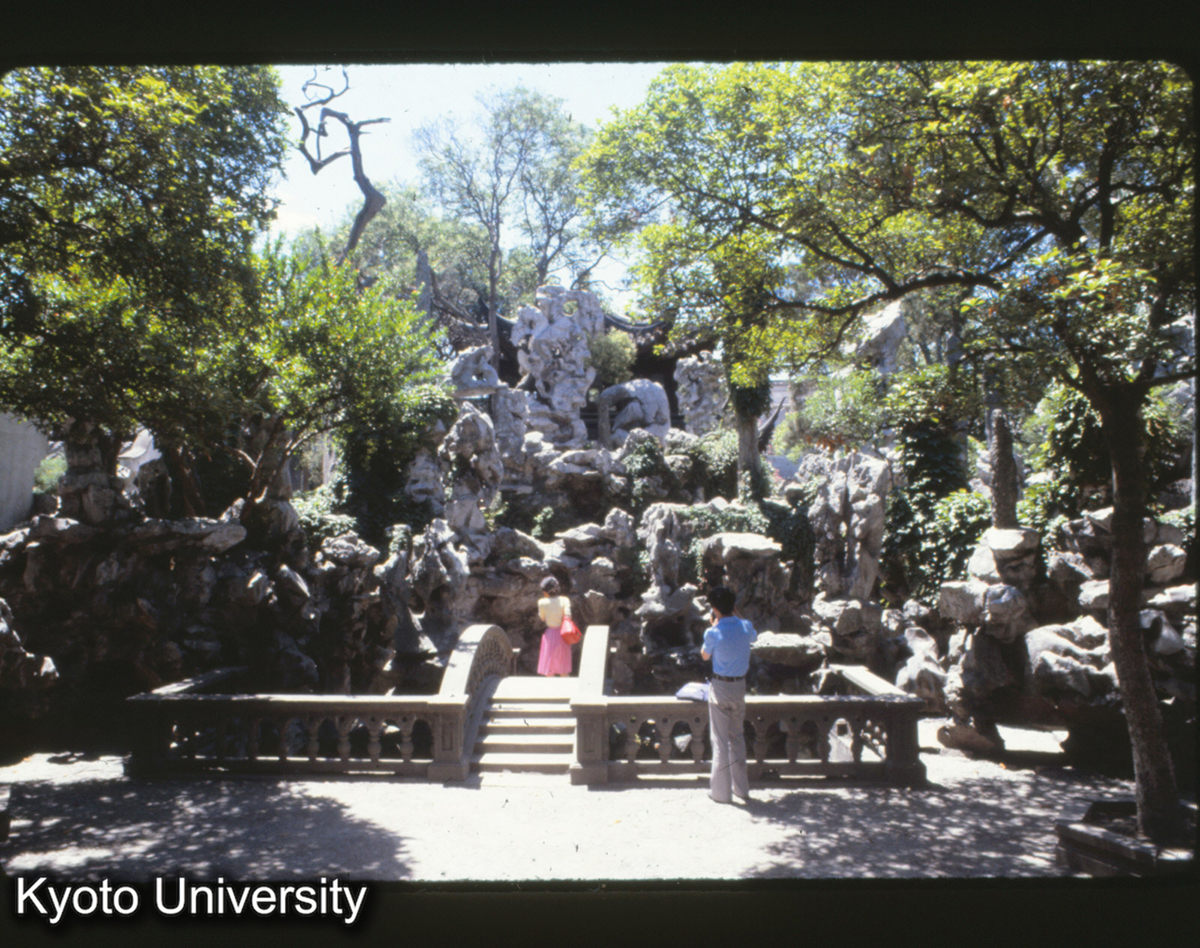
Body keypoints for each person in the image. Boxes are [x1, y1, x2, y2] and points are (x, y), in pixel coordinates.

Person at [701, 584, 757, 804]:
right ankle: (741, 789)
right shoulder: (746, 626)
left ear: (715, 609)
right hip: (740, 687)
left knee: (720, 741)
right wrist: (735, 614)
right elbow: (753, 637)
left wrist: (715, 624)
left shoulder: (713, 632)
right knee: (737, 738)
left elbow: (705, 656)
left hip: (721, 688)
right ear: (734, 606)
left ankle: (721, 793)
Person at [536, 576, 573, 677]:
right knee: (563, 668)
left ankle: (551, 687)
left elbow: (542, 618)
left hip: (550, 634)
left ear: (545, 592)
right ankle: (566, 687)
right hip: (563, 635)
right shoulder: (565, 600)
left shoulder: (541, 602)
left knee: (549, 667)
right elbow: (568, 616)